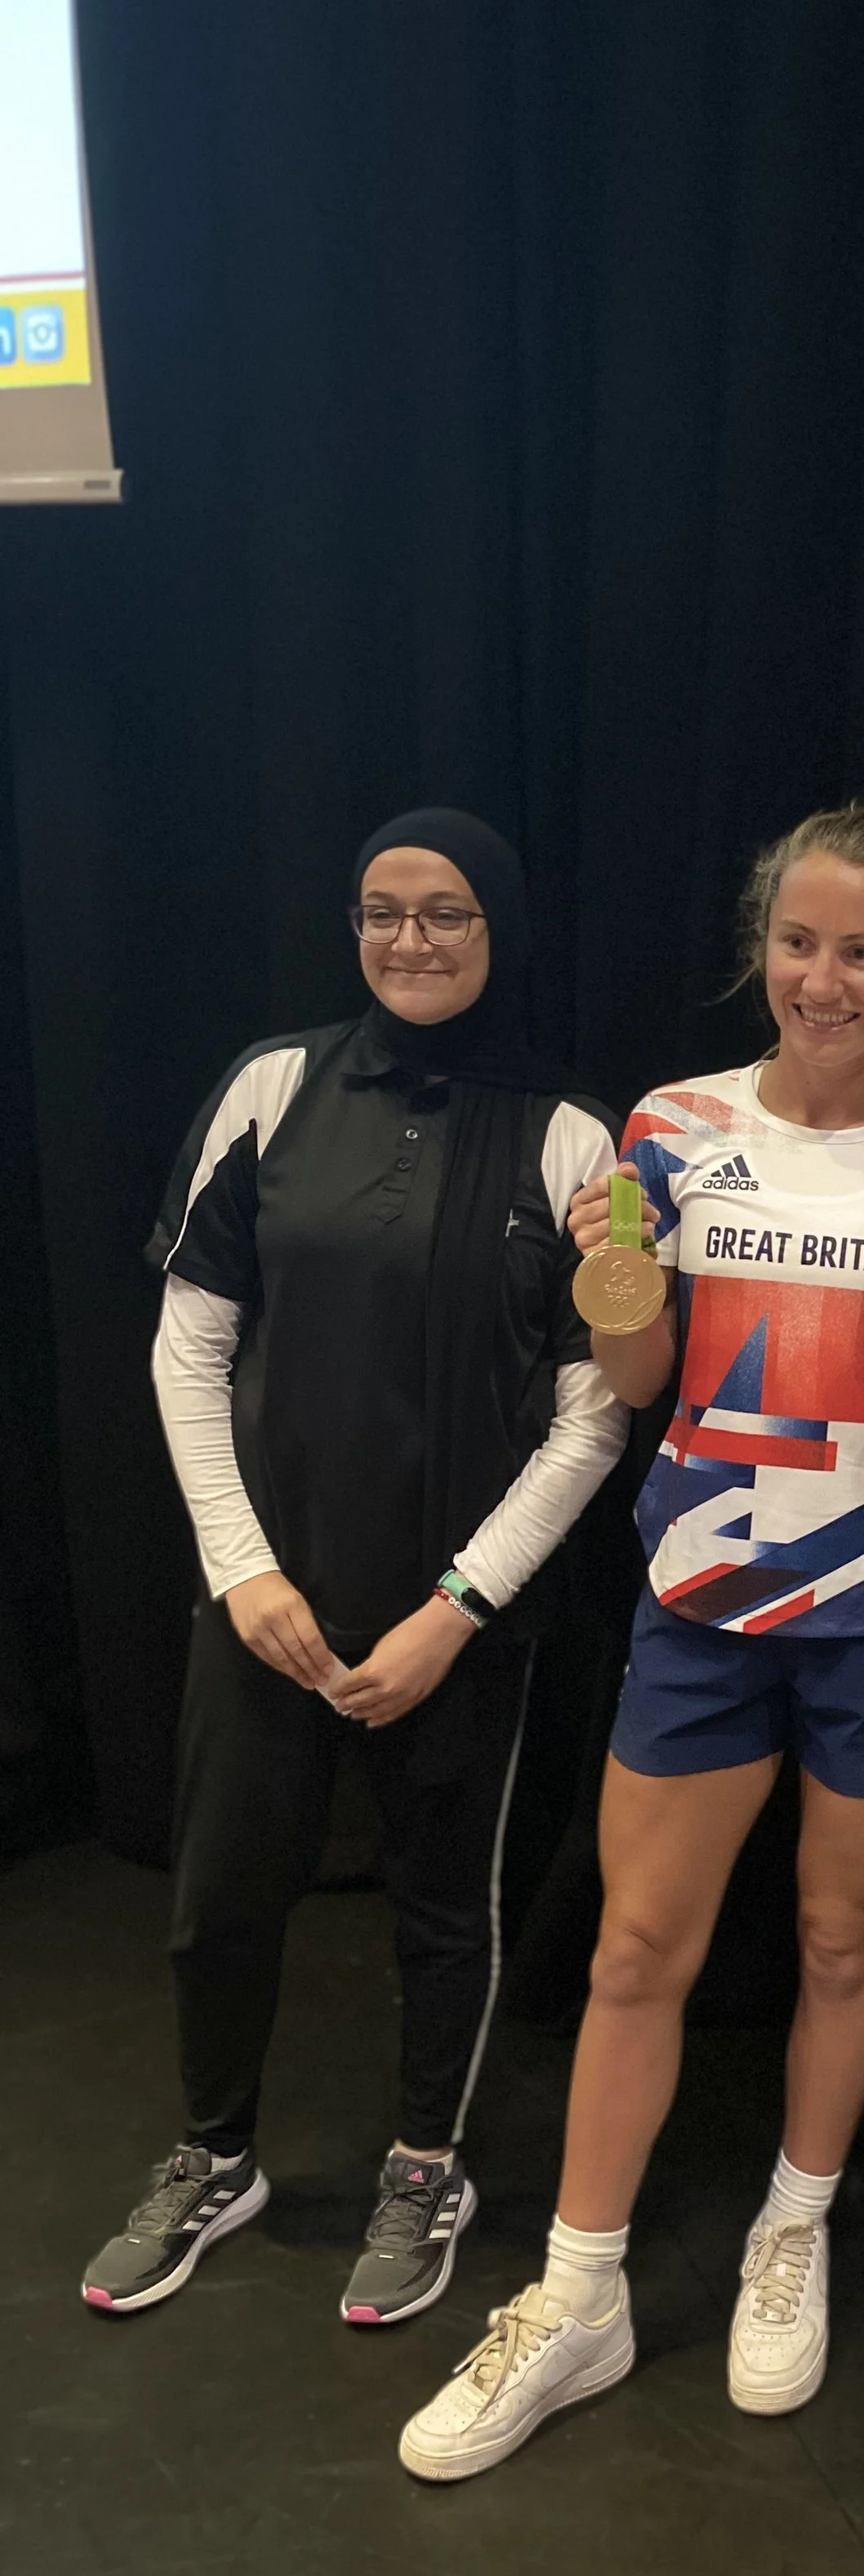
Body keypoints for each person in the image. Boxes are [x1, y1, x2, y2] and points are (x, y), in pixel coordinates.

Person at [399, 786, 864, 2480]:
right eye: (797, 943)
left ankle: (792, 2228)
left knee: (840, 1937)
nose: (822, 980)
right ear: (764, 948)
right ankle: (577, 2291)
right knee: (631, 1950)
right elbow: (636, 1373)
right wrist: (613, 1275)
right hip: (702, 1597)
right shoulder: (672, 1128)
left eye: (861, 953)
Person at [82, 811, 628, 2326]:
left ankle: (425, 2166)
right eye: (382, 912)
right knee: (219, 1900)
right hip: (269, 1597)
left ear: (499, 929)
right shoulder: (272, 1087)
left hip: (456, 1618)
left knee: (445, 1908)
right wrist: (242, 1571)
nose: (410, 941)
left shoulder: (577, 1139)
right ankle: (215, 2157)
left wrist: (458, 1611)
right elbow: (189, 1347)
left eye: (445, 913)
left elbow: (595, 1416)